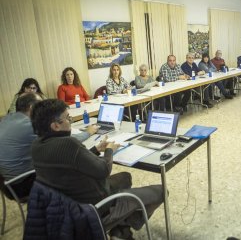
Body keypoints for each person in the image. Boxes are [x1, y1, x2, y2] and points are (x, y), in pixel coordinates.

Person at [30, 99, 163, 239]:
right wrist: (109, 150)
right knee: (160, 191)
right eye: (68, 118)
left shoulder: (36, 145)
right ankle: (125, 225)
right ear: (55, 126)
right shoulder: (69, 144)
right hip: (94, 208)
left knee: (125, 177)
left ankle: (120, 229)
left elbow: (71, 163)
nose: (71, 121)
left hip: (69, 205)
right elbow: (103, 170)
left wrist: (96, 149)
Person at [0, 93, 41, 199]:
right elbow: (58, 140)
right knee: (63, 166)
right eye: (41, 105)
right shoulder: (28, 125)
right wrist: (88, 132)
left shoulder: (6, 120)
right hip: (21, 185)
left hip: (5, 184)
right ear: (32, 108)